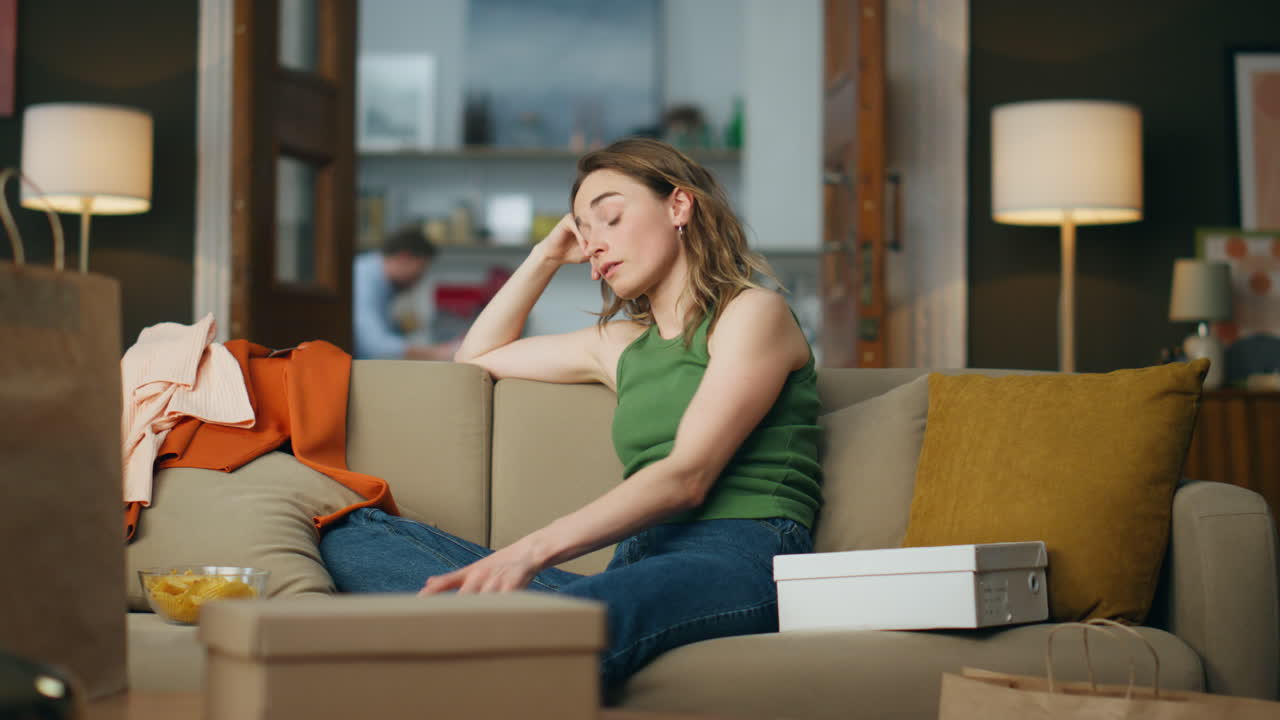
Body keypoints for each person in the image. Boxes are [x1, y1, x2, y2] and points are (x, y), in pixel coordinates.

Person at [321, 137, 822, 694]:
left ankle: (525, 632)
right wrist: (546, 256)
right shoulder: (619, 344)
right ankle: (526, 626)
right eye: (586, 233)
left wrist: (528, 554)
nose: (597, 246)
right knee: (351, 536)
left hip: (739, 553)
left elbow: (686, 477)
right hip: (637, 562)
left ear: (679, 206)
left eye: (610, 217)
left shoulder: (753, 312)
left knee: (554, 622)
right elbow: (475, 357)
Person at [352, 225, 459, 360]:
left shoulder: (384, 283)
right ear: (404, 257)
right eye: (420, 269)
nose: (419, 279)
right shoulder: (363, 278)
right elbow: (374, 346)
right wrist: (439, 353)